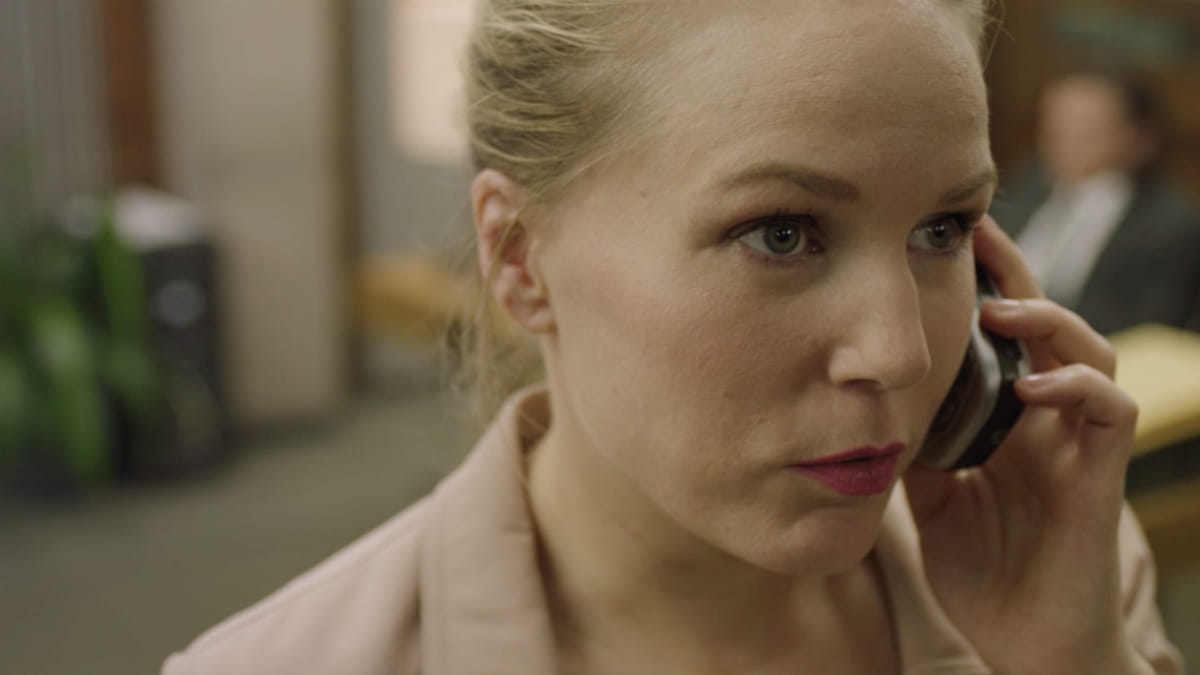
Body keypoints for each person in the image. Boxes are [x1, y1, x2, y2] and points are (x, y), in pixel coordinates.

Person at [163, 1, 1183, 673]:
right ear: (519, 257)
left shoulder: (1057, 570)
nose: (902, 352)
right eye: (781, 233)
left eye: (943, 229)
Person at [991, 70, 1200, 336]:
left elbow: (1151, 325)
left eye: (1085, 128)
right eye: (1054, 125)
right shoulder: (1024, 186)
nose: (1062, 138)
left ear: (1137, 137)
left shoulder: (1170, 223)